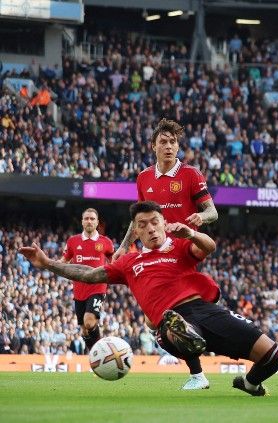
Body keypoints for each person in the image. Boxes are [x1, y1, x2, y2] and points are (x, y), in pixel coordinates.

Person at [20, 201, 278, 396]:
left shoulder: (179, 246)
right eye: (142, 225)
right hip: (170, 319)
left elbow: (209, 247)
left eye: (155, 221)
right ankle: (183, 337)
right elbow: (88, 274)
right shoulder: (129, 262)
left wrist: (191, 233)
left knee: (274, 355)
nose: (151, 229)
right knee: (172, 325)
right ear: (137, 231)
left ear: (163, 223)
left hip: (206, 310)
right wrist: (47, 263)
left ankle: (249, 384)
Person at [112, 118, 219, 389]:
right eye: (164, 142)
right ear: (153, 146)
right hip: (152, 253)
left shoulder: (191, 175)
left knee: (169, 313)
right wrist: (124, 245)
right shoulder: (144, 178)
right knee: (153, 319)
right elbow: (138, 218)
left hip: (181, 252)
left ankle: (197, 371)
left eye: (173, 142)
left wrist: (200, 218)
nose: (169, 146)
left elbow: (212, 211)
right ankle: (195, 362)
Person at [62, 208, 114, 352]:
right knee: (84, 330)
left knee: (89, 321)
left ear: (97, 222)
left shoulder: (106, 242)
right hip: (79, 290)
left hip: (97, 287)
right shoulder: (73, 241)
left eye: (92, 219)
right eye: (86, 218)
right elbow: (63, 262)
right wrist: (48, 264)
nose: (89, 221)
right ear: (82, 222)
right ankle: (94, 355)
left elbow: (115, 261)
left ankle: (102, 352)